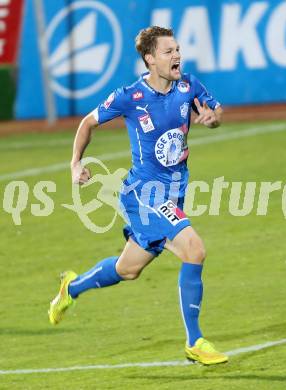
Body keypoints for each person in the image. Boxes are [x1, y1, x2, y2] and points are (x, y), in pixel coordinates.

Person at [49, 26, 227, 365]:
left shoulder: (189, 85)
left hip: (173, 194)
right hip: (144, 193)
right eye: (168, 51)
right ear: (149, 59)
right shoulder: (129, 96)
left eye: (177, 49)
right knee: (195, 249)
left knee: (128, 269)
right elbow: (88, 122)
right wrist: (75, 164)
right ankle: (195, 341)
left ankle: (71, 288)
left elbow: (216, 113)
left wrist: (210, 119)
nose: (177, 55)